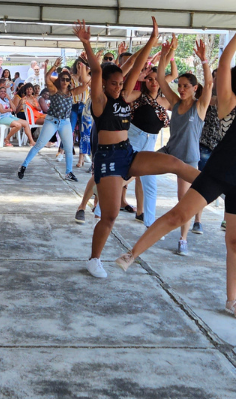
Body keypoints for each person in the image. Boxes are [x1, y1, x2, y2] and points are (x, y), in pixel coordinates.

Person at [115, 16, 236, 321]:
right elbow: (221, 72)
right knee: (179, 213)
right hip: (218, 171)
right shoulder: (227, 105)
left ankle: (232, 300)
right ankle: (132, 254)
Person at [75, 19, 200, 278]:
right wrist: (86, 43)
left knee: (175, 164)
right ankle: (94, 259)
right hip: (107, 160)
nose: (119, 87)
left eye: (121, 84)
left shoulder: (123, 96)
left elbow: (138, 67)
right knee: (109, 217)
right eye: (114, 84)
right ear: (105, 85)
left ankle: (216, 185)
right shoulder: (99, 102)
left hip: (127, 153)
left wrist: (153, 39)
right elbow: (97, 73)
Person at [154, 37, 214, 253]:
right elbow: (160, 78)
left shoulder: (200, 106)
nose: (181, 89)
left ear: (194, 88)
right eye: (179, 86)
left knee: (184, 200)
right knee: (136, 167)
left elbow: (210, 85)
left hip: (188, 159)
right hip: (170, 153)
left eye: (185, 86)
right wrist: (165, 55)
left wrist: (204, 60)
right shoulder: (175, 102)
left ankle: (183, 239)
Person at [17, 57, 81, 182]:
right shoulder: (54, 90)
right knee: (39, 144)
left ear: (70, 82)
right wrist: (54, 67)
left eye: (67, 80)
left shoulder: (71, 92)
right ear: (59, 80)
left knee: (68, 148)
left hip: (65, 122)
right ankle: (23, 166)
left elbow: (85, 85)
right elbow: (47, 78)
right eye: (63, 79)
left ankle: (69, 172)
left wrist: (82, 69)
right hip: (52, 121)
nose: (65, 81)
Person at [123, 64, 169, 226]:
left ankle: (150, 222)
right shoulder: (138, 95)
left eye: (156, 79)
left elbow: (184, 105)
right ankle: (99, 211)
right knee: (121, 177)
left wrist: (168, 57)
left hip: (150, 144)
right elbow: (125, 95)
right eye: (149, 79)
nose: (153, 82)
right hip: (134, 139)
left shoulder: (165, 100)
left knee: (150, 184)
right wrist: (138, 75)